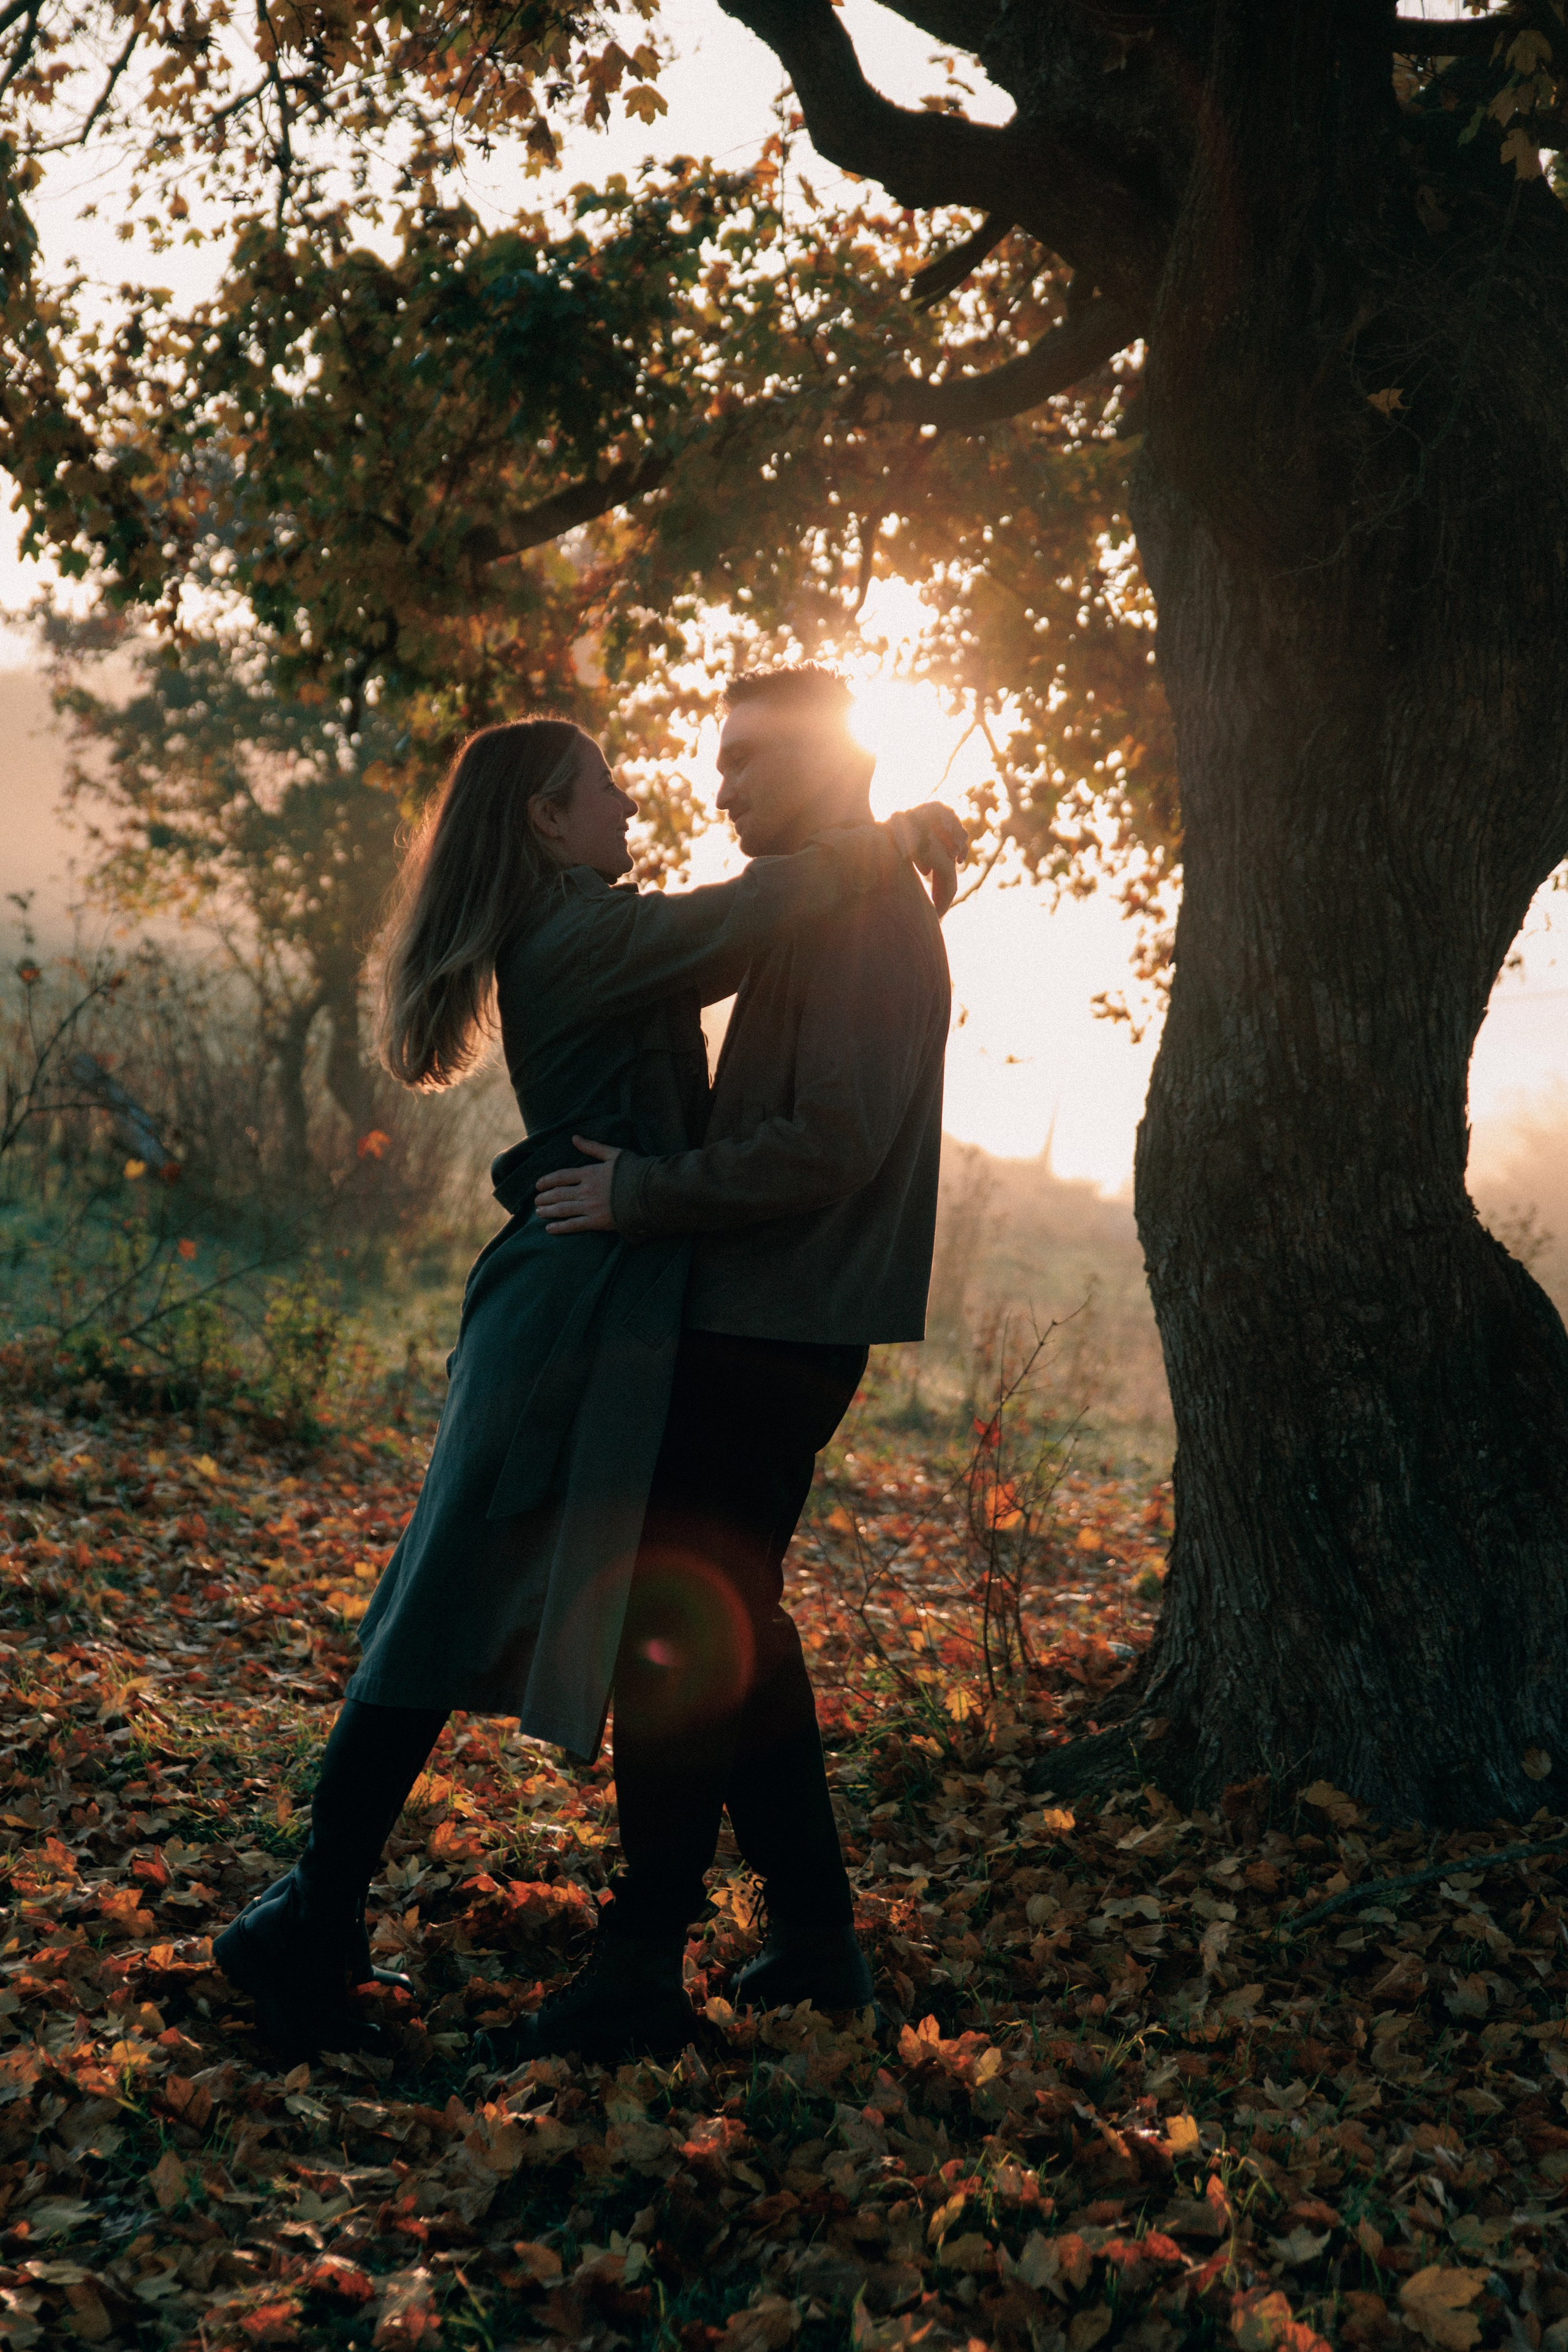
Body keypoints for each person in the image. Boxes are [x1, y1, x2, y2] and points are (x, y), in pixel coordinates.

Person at [213, 712, 962, 2064]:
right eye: (603, 788)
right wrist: (894, 836)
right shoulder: (578, 933)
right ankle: (311, 1916)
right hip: (568, 1307)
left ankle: (339, 1918)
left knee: (599, 1608)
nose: (637, 802)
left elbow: (765, 947)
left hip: (601, 1301)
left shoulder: (587, 924)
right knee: (439, 1609)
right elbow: (754, 911)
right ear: (546, 819)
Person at [524, 664, 952, 2060]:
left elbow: (831, 1141)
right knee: (740, 1630)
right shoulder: (824, 901)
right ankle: (816, 1944)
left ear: (829, 762)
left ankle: (641, 1965)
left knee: (674, 1627)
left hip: (779, 1327)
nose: (718, 790)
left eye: (746, 761)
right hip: (757, 1317)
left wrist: (640, 1193)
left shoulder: (867, 916)